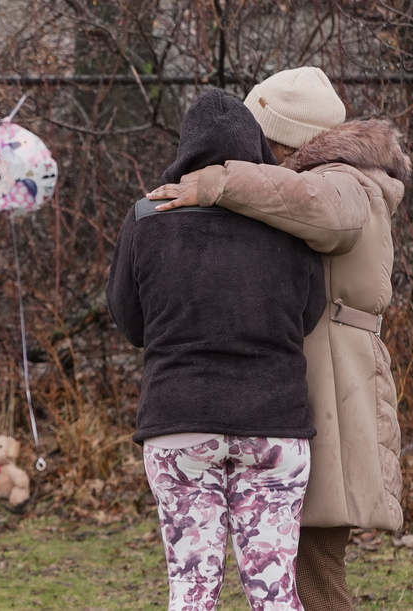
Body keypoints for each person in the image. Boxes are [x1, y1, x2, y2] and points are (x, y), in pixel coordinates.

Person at [148, 66, 411, 611]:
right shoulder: (327, 181)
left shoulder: (343, 181)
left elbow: (320, 208)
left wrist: (220, 181)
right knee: (294, 571)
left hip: (332, 389)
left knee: (308, 570)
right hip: (315, 389)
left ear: (283, 137)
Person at [107, 89, 326, 610]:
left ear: (185, 149)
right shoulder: (285, 222)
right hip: (274, 423)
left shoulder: (145, 217)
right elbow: (309, 314)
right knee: (274, 589)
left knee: (192, 587)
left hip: (180, 421)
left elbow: (128, 319)